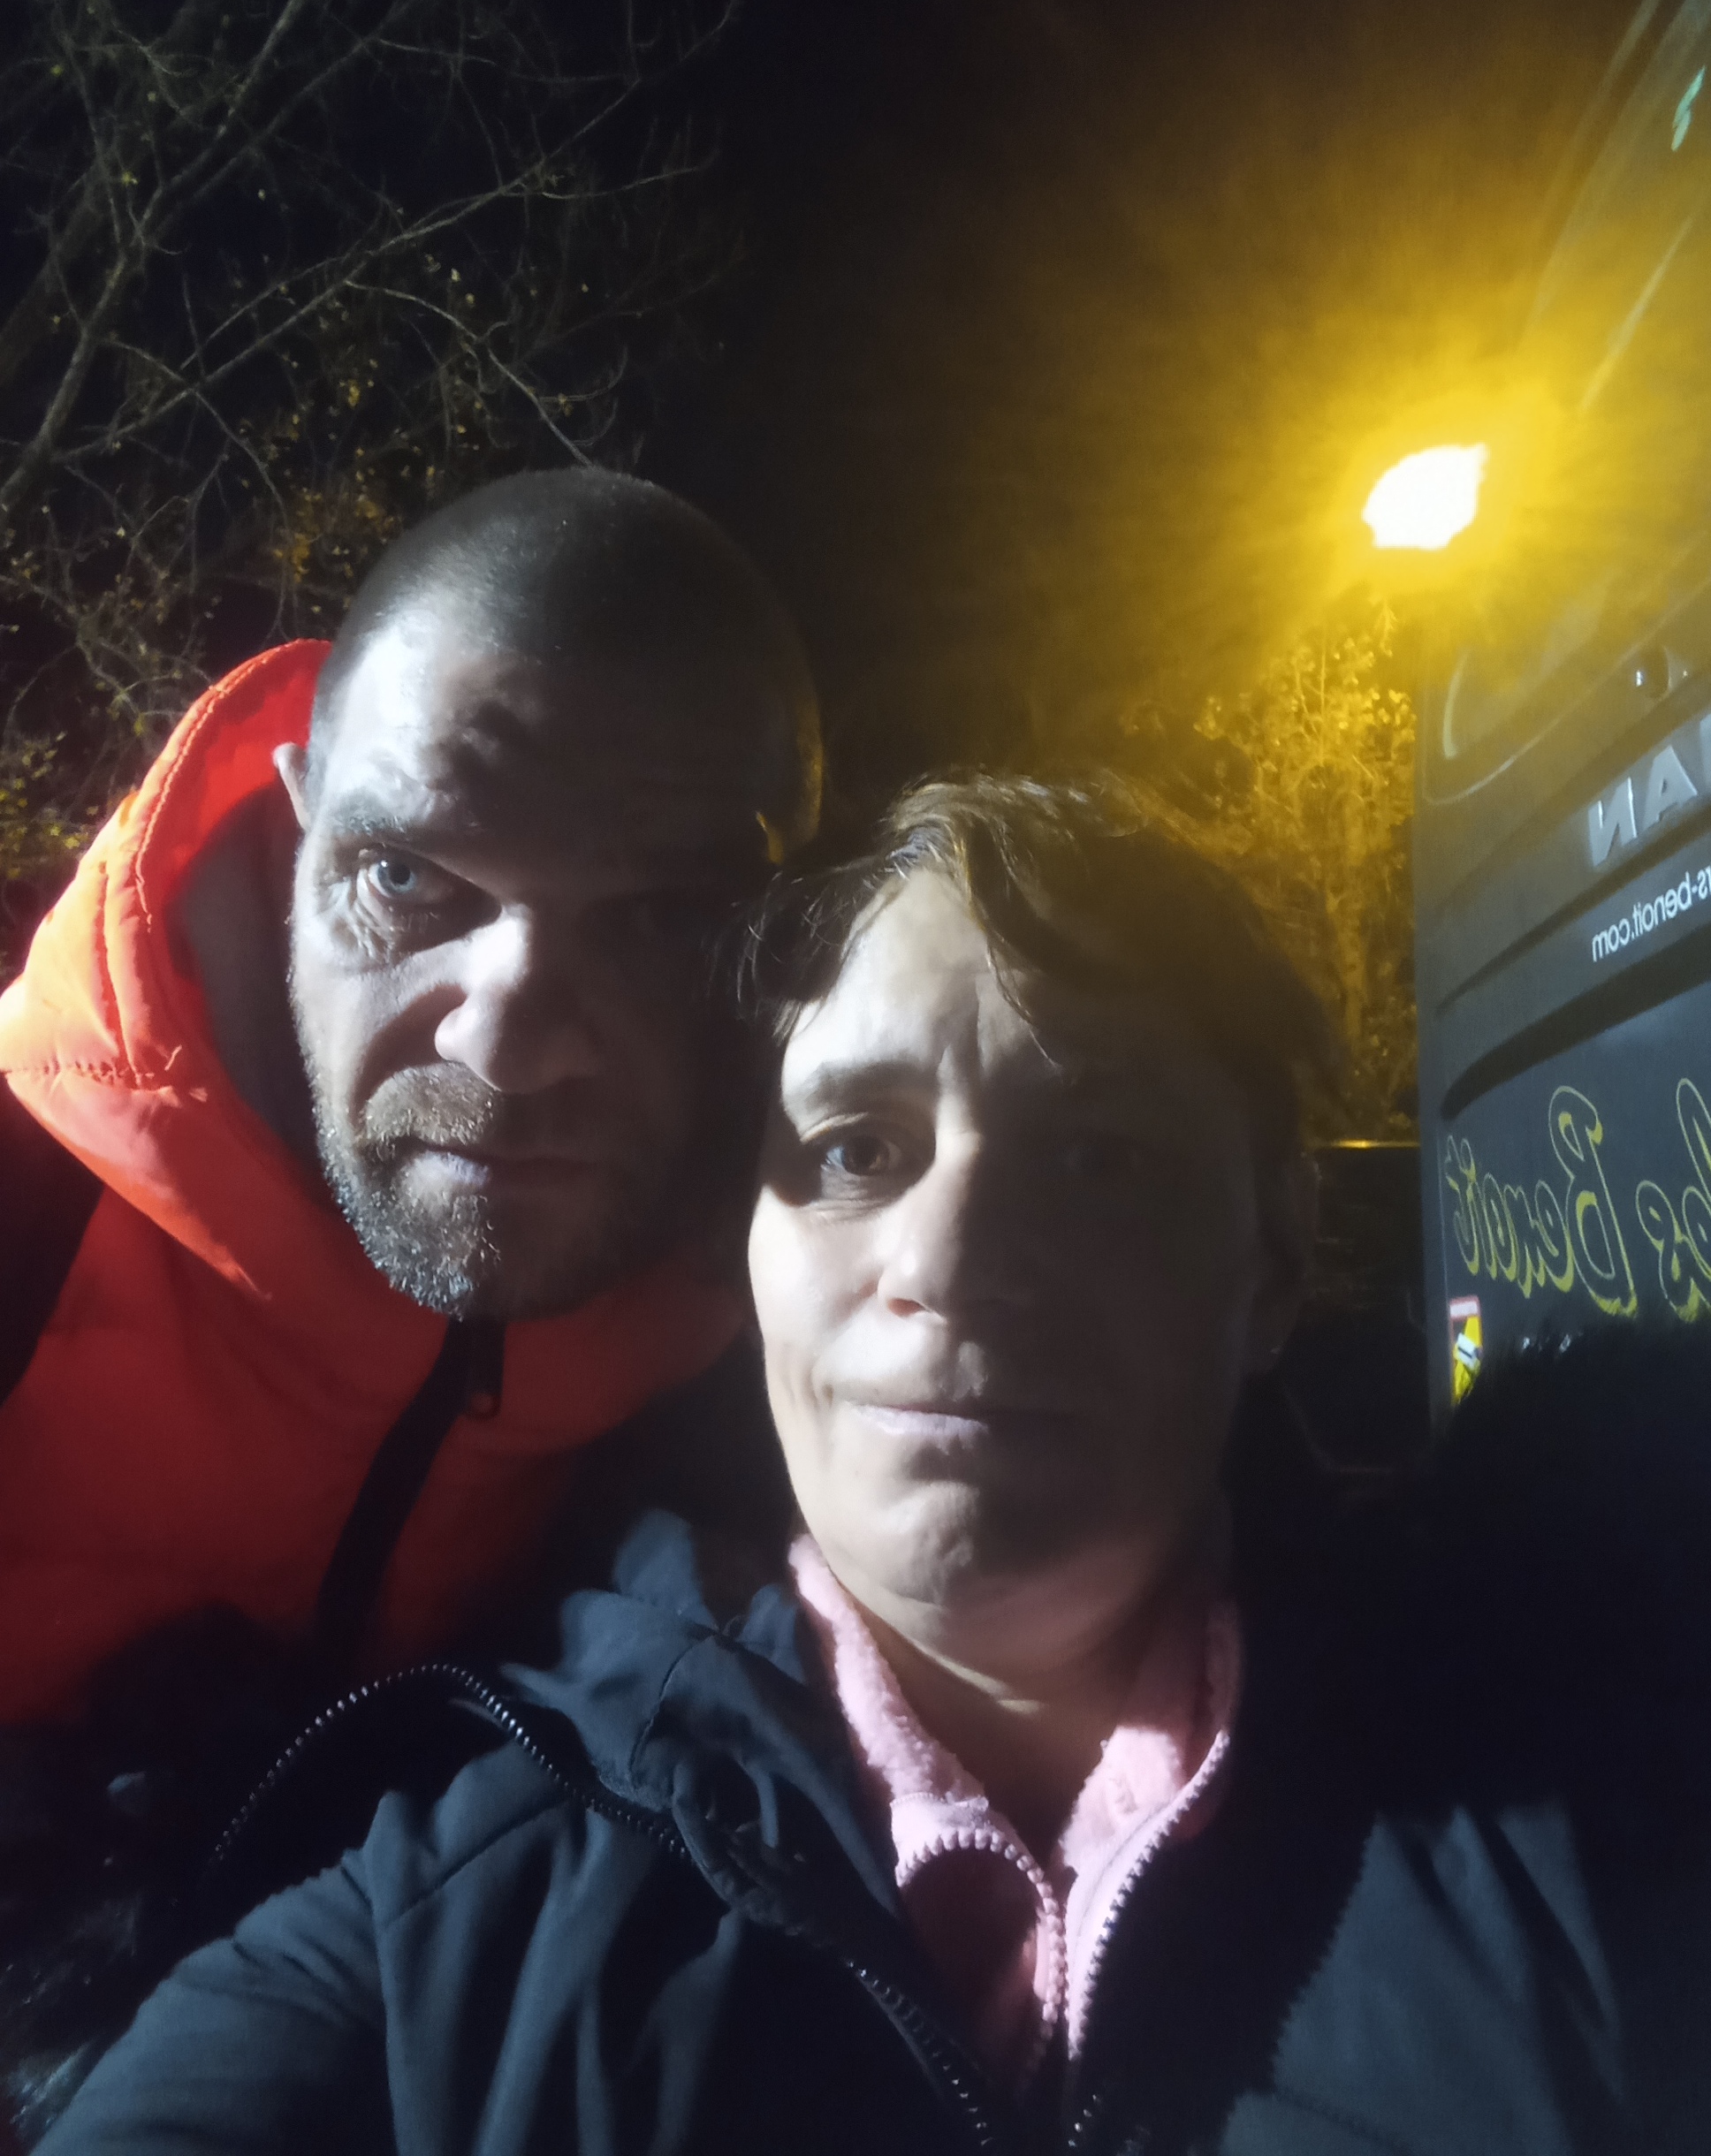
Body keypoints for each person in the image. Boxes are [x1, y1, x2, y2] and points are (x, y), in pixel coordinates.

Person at [38, 778, 1711, 2156]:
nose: (955, 1259)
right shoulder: (449, 1902)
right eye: (852, 1150)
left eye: (1101, 1158)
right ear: (744, 1259)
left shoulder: (1595, 1802)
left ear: (1272, 1260)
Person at [0, 466, 820, 1725]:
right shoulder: (29, 1197)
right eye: (402, 877)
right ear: (301, 833)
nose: (506, 1049)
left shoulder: (808, 1312)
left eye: (665, 921)